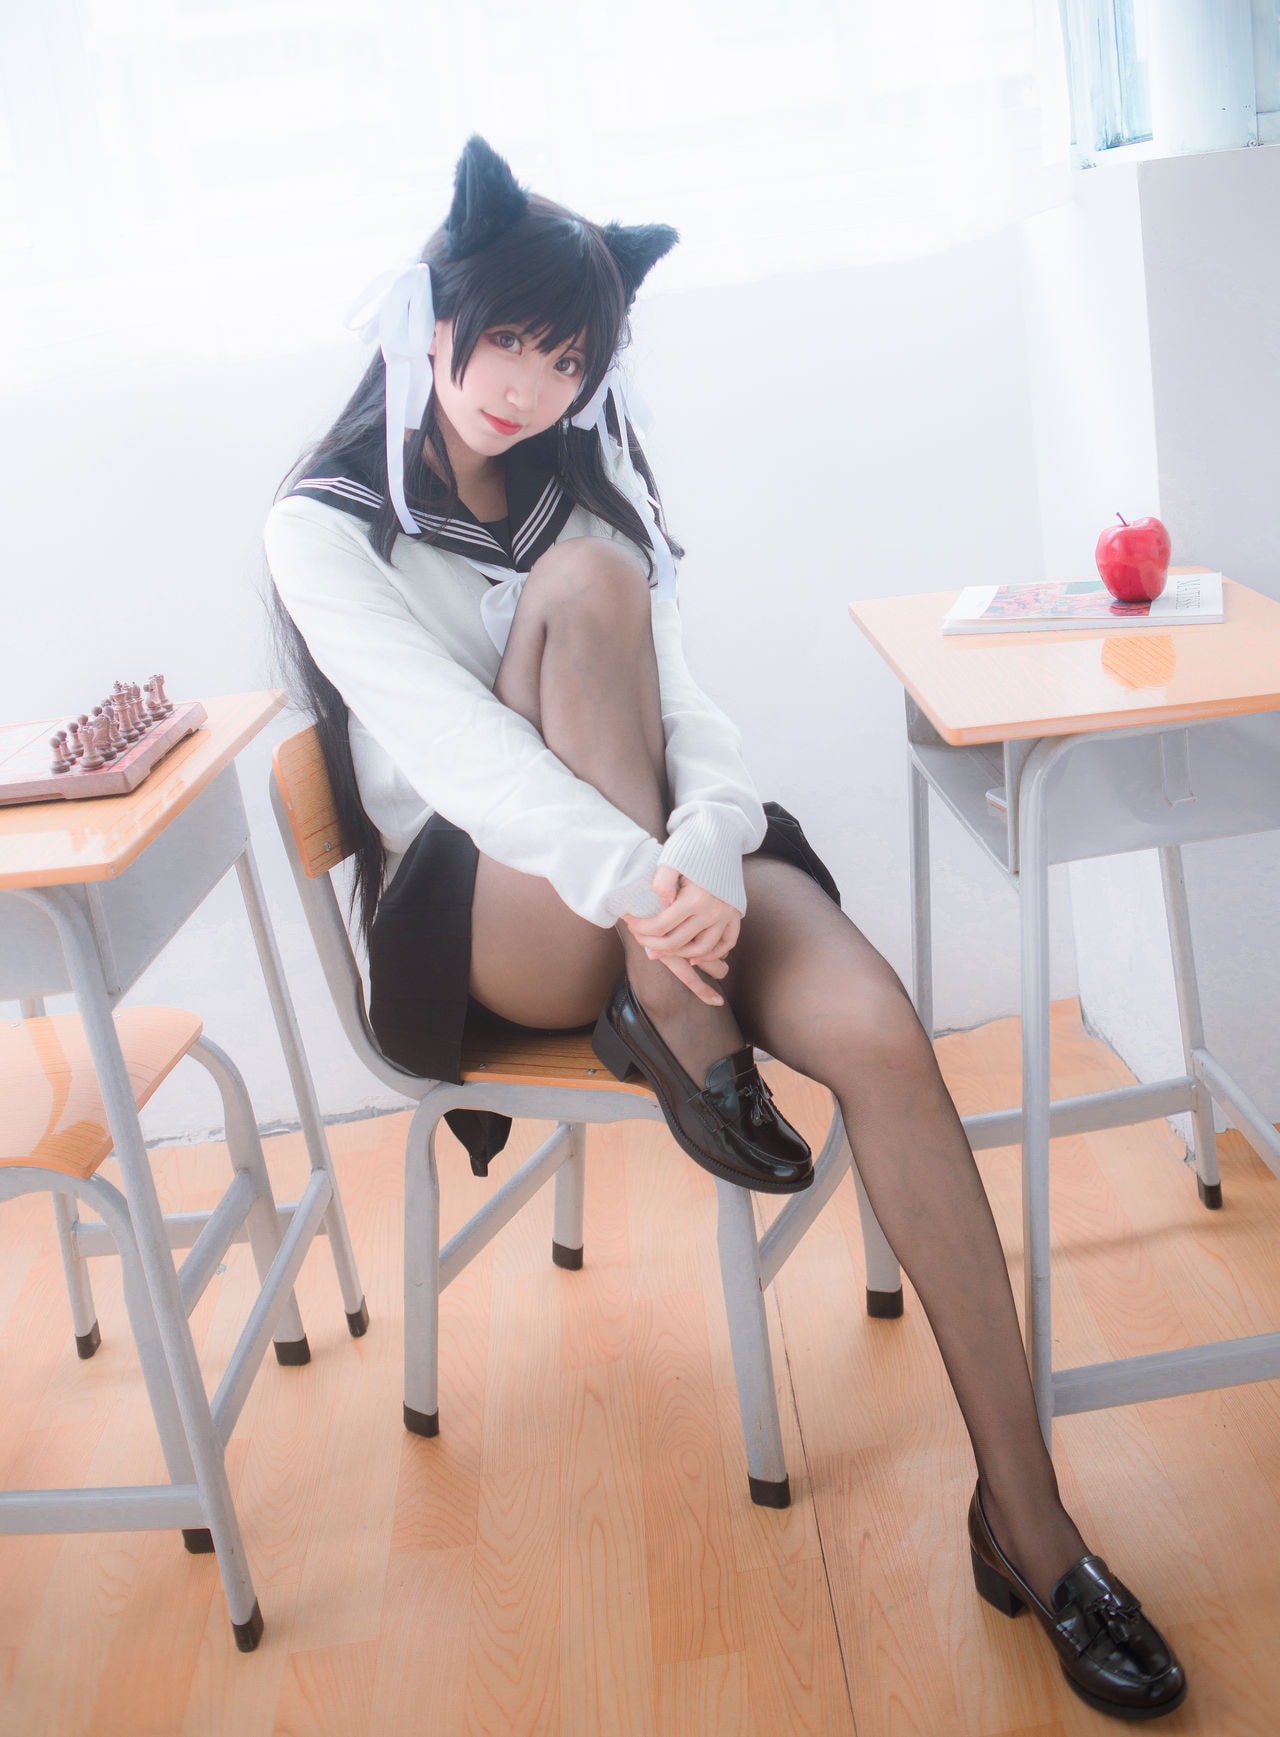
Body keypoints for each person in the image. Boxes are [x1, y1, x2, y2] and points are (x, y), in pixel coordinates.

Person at [266, 135, 1186, 1722]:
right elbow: (461, 759)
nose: (530, 386)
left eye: (568, 359)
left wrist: (695, 851)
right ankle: (675, 1011)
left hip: (649, 884)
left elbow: (695, 717)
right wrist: (643, 885)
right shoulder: (324, 520)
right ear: (436, 312)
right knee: (589, 592)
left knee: (883, 1039)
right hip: (488, 915)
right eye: (506, 340)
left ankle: (1030, 1524)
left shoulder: (588, 476)